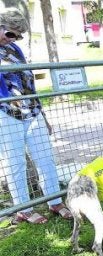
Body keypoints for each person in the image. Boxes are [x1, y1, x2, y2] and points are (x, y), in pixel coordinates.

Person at [0, 8, 73, 224]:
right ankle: (24, 208)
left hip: (31, 111)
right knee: (15, 163)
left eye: (18, 36)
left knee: (46, 158)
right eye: (11, 34)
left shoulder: (14, 49)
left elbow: (28, 81)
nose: (13, 39)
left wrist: (42, 113)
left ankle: (54, 201)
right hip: (6, 114)